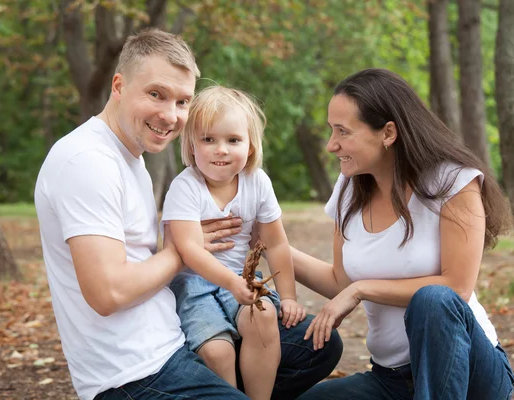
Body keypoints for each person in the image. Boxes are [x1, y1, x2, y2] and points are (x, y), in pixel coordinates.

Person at [34, 28, 341, 400]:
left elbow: (270, 240)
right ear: (118, 86)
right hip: (136, 371)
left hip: (168, 332)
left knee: (317, 346)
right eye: (155, 94)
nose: (170, 115)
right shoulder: (87, 161)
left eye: (182, 102)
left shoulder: (130, 159)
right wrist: (186, 247)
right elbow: (108, 293)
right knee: (226, 352)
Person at [289, 68, 514, 400]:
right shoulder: (350, 189)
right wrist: (269, 243)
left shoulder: (453, 182)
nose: (331, 145)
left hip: (471, 376)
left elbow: (457, 287)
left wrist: (361, 290)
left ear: (388, 133)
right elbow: (341, 280)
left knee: (433, 299)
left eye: (343, 132)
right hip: (392, 381)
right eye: (331, 131)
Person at [161, 85, 306, 400]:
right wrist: (231, 282)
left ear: (251, 147)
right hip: (194, 286)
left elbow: (276, 245)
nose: (221, 150)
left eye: (233, 140)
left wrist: (289, 296)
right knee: (218, 352)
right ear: (191, 145)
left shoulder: (257, 183)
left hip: (240, 279)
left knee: (263, 313)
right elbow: (188, 250)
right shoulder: (185, 187)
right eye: (208, 139)